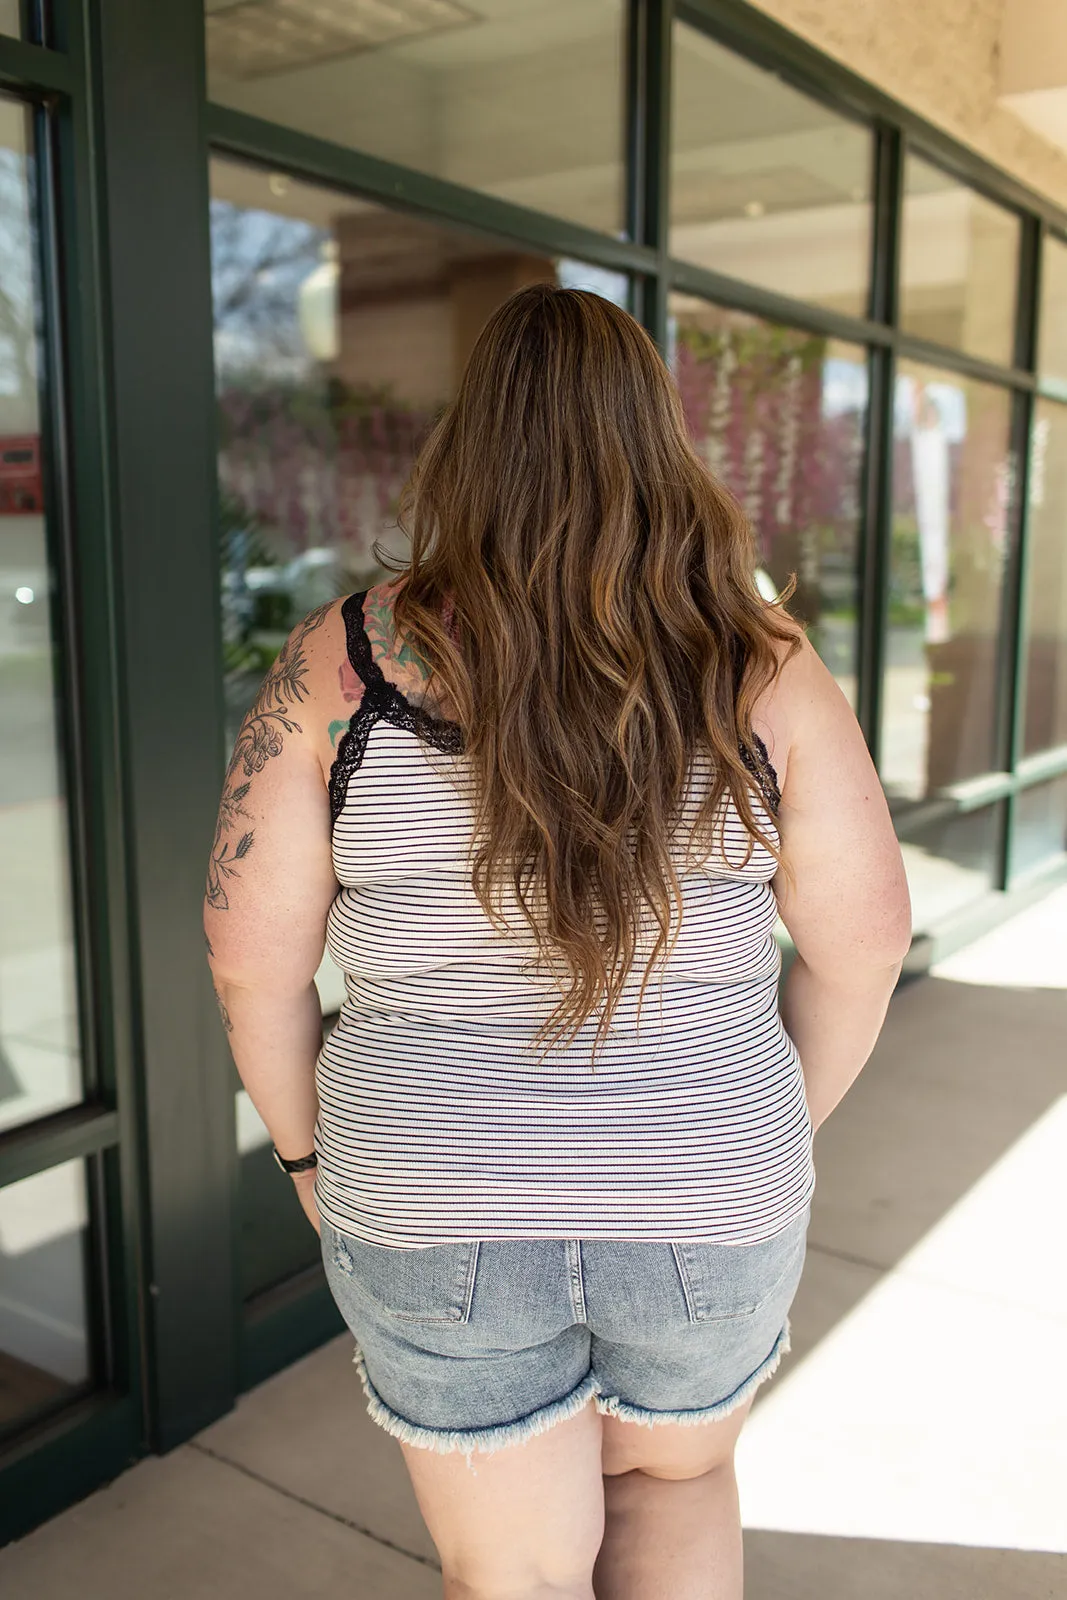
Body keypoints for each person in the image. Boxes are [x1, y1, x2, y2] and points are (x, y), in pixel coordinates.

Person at [204, 284, 912, 1600]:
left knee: (511, 1577)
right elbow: (865, 944)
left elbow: (251, 960)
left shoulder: (340, 663)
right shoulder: (760, 666)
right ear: (660, 441)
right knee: (674, 1483)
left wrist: (307, 1156)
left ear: (467, 450)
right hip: (707, 1180)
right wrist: (760, 1128)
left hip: (430, 1188)